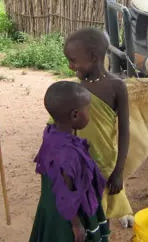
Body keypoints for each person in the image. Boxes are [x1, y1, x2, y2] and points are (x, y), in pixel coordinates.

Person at [47, 27, 133, 227]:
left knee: (101, 207)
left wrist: (119, 171)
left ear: (93, 56)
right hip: (79, 161)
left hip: (104, 159)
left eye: (73, 60)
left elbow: (124, 131)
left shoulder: (116, 86)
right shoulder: (77, 89)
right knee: (84, 207)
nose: (70, 66)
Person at [30, 81, 110, 242]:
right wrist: (76, 225)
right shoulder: (68, 154)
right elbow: (65, 193)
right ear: (75, 115)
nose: (89, 113)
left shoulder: (51, 134)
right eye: (88, 110)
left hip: (51, 206)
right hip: (67, 216)